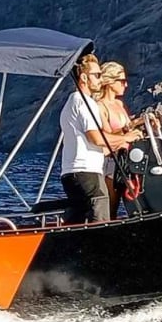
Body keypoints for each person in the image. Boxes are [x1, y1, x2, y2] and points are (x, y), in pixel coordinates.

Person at [59, 53, 140, 223]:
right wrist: (127, 137)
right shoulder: (84, 102)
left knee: (78, 219)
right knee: (101, 215)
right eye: (96, 75)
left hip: (71, 173)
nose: (100, 79)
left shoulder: (72, 101)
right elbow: (97, 139)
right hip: (86, 172)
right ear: (83, 78)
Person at [95, 61, 141, 215]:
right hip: (110, 161)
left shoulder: (119, 104)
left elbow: (126, 128)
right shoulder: (100, 106)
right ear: (110, 81)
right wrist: (127, 136)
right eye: (122, 81)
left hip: (124, 160)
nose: (125, 85)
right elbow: (105, 136)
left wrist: (141, 122)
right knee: (111, 206)